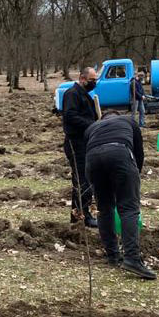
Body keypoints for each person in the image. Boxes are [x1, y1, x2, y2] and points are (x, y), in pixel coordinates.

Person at [85, 111, 155, 280]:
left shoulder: (92, 127)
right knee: (128, 208)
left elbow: (85, 152)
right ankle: (132, 258)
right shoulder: (128, 120)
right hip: (120, 153)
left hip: (92, 160)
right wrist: (134, 177)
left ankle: (113, 255)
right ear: (117, 116)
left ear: (103, 119)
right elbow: (138, 153)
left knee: (104, 208)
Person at [62, 67, 99, 228]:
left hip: (86, 142)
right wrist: (92, 124)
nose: (94, 83)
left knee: (87, 179)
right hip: (75, 143)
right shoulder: (72, 94)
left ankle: (82, 213)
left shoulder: (85, 95)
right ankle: (80, 217)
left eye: (95, 80)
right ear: (82, 78)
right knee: (81, 180)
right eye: (92, 80)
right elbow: (70, 116)